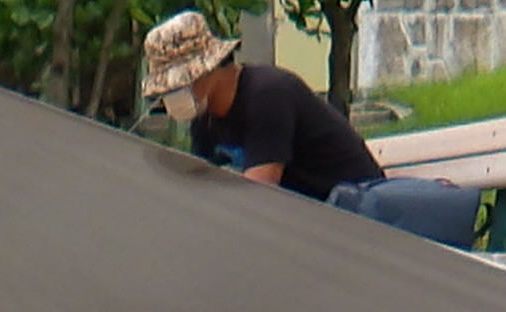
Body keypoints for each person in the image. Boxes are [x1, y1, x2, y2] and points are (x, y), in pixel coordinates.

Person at [141, 9, 383, 196]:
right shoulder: (204, 120)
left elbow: (258, 196)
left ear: (209, 68)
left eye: (180, 85)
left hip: (353, 211)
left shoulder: (268, 96)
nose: (173, 96)